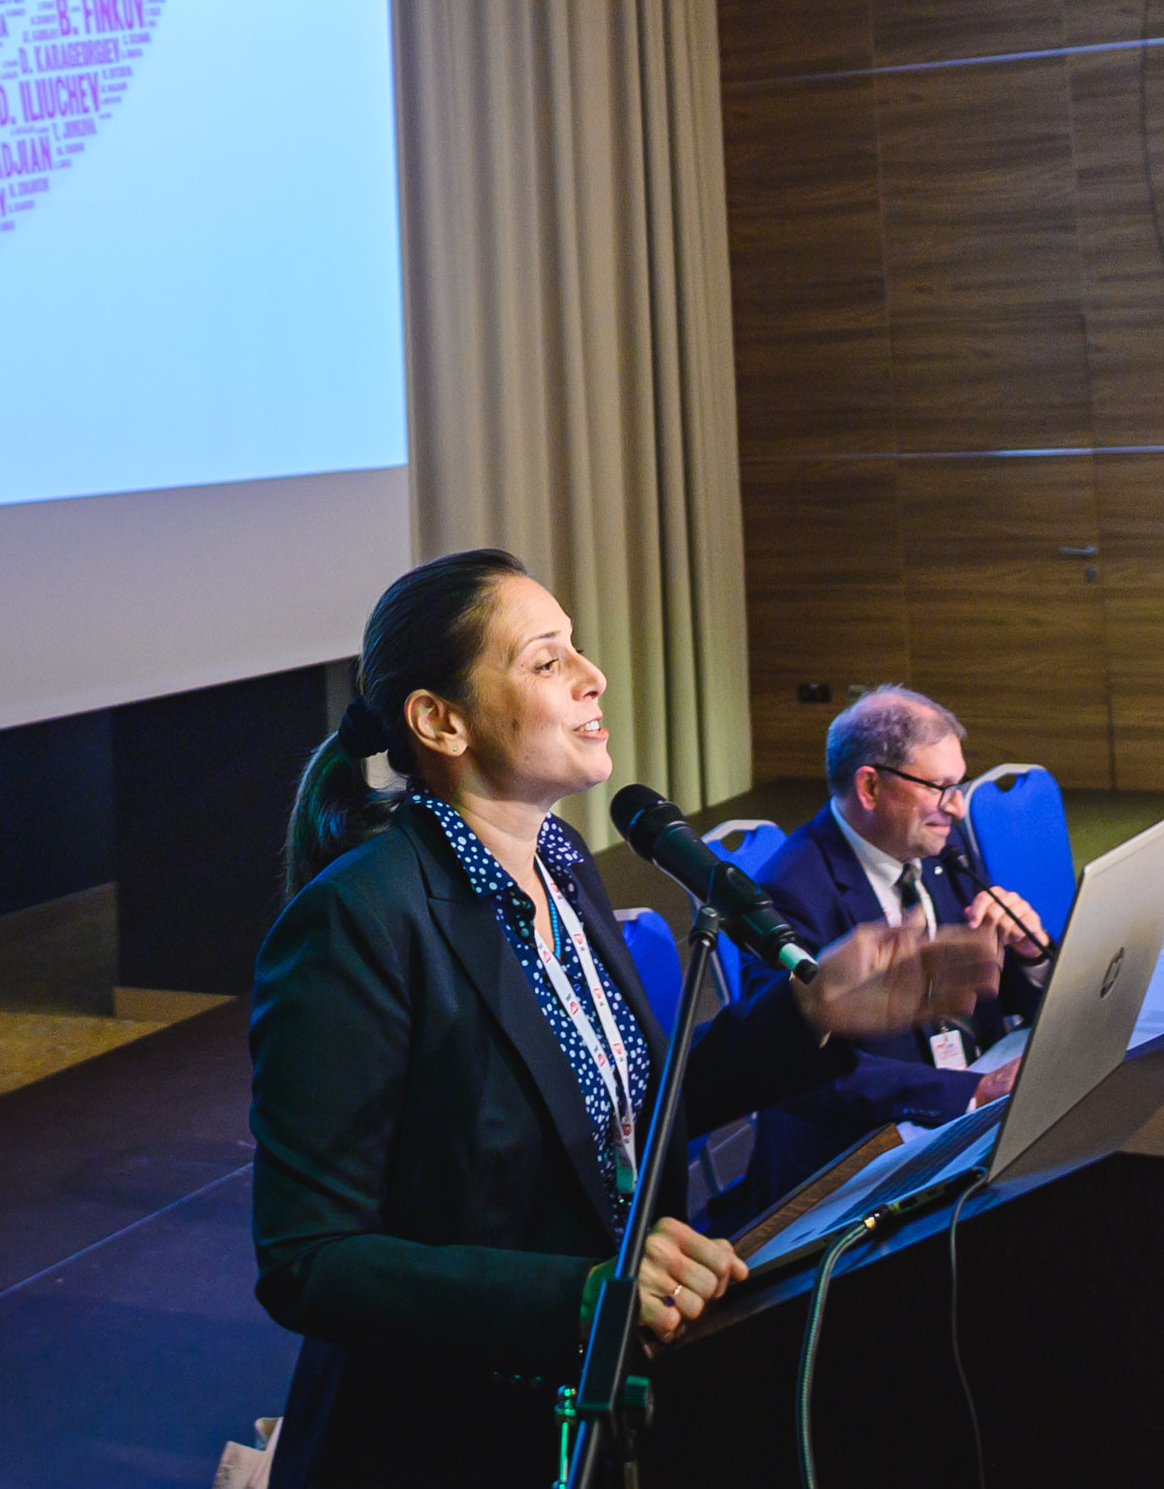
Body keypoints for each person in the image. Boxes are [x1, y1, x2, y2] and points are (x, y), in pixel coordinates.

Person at [248, 553, 1008, 1489]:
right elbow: (309, 1259)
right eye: (546, 659)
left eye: (576, 647)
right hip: (447, 1435)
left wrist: (808, 1013)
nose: (593, 674)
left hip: (602, 1402)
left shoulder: (563, 861)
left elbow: (631, 1108)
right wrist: (581, 1295)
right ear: (440, 720)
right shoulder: (356, 917)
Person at [724, 687, 1055, 1224]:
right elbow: (799, 1075)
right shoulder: (785, 894)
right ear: (871, 787)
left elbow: (1000, 995)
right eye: (941, 787)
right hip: (848, 1171)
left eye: (959, 785)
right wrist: (971, 1092)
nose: (959, 807)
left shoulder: (939, 850)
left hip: (953, 1128)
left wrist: (1029, 954)